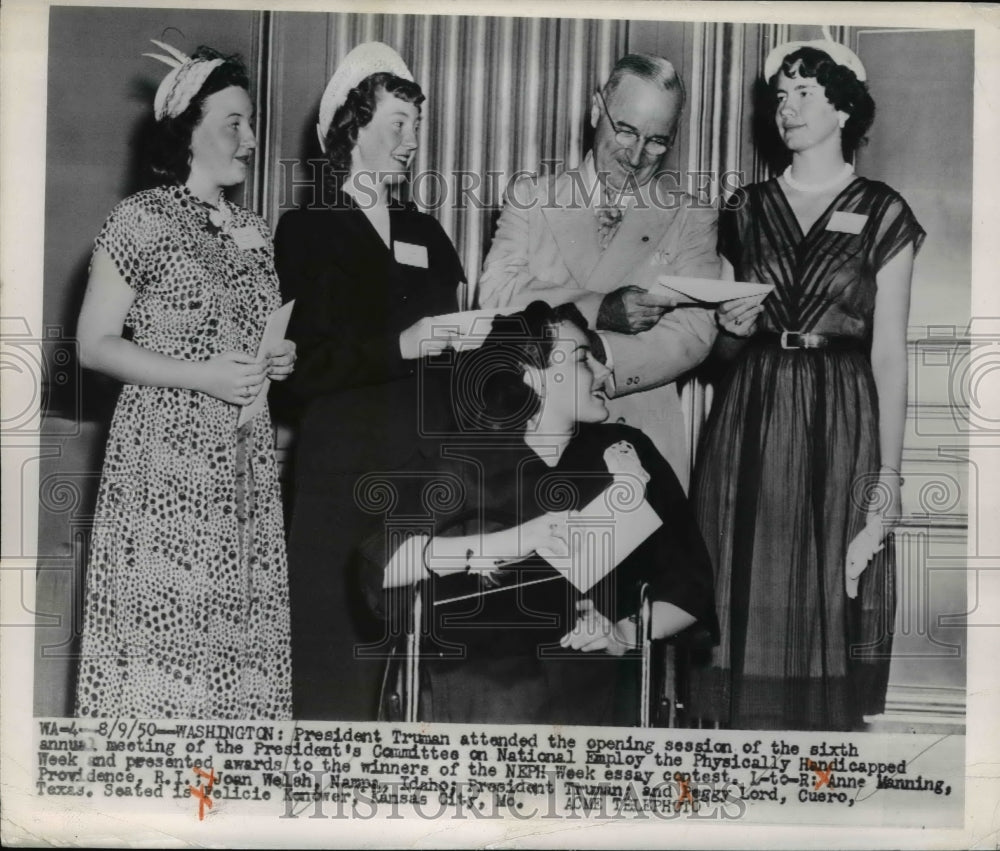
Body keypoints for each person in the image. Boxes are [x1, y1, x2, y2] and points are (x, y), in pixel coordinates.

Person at [687, 39, 925, 731]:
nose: (785, 109)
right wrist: (730, 327)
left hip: (841, 412)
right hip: (751, 412)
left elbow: (890, 354)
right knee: (742, 583)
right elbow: (720, 353)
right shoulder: (745, 207)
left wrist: (888, 475)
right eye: (780, 96)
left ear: (844, 109)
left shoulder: (883, 211)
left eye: (804, 94)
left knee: (827, 588)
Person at [358, 301, 719, 725]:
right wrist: (519, 539)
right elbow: (383, 565)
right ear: (533, 376)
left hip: (597, 691)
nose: (605, 372)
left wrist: (624, 632)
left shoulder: (625, 453)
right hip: (479, 695)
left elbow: (690, 586)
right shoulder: (467, 461)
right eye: (583, 359)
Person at [74, 43, 296, 718]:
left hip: (242, 461)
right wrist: (201, 375)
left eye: (251, 123)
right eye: (234, 123)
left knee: (234, 649)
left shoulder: (255, 232)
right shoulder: (140, 219)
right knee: (166, 651)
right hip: (164, 459)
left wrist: (274, 360)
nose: (250, 139)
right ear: (188, 130)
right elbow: (93, 344)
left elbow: (246, 338)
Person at [274, 43, 465, 719]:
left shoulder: (426, 232)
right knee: (332, 684)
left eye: (417, 125)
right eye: (397, 124)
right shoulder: (307, 230)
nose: (411, 141)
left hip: (424, 480)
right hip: (340, 482)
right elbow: (298, 371)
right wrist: (401, 347)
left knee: (422, 686)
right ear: (352, 127)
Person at [477, 53, 720, 487]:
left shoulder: (691, 216)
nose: (636, 155)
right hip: (535, 440)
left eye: (657, 141)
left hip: (641, 442)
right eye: (625, 131)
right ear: (595, 110)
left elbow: (693, 335)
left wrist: (599, 355)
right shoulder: (531, 198)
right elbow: (496, 297)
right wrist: (598, 308)